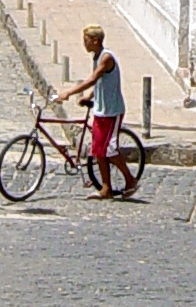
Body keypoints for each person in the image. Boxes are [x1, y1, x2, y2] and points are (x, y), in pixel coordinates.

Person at [54, 27, 137, 199]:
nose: (83, 43)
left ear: (95, 41)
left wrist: (68, 92)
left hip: (112, 111)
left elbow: (93, 78)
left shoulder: (106, 58)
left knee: (109, 150)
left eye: (86, 40)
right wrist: (88, 96)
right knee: (98, 151)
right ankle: (106, 188)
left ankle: (130, 180)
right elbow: (99, 82)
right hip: (100, 110)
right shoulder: (97, 57)